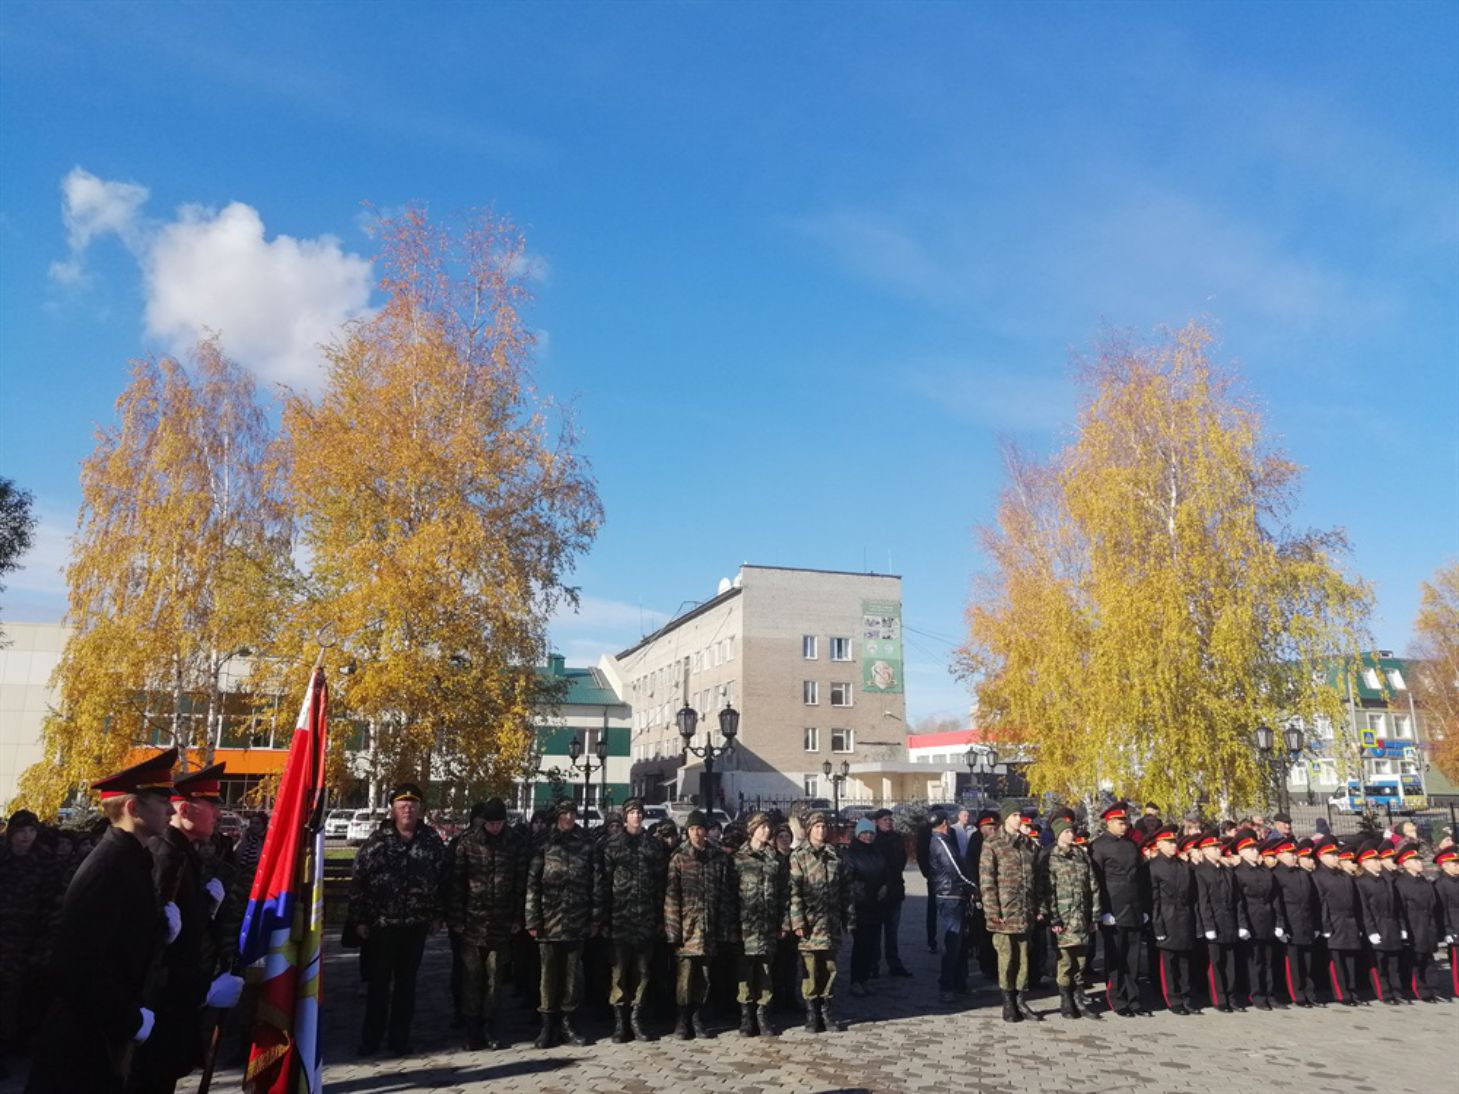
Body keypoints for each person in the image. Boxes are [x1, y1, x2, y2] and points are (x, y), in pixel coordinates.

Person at [25, 748, 179, 1094]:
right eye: (162, 800)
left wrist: (159, 932)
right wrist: (129, 1020)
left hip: (100, 1039)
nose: (172, 809)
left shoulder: (132, 860)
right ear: (133, 808)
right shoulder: (110, 867)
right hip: (81, 1047)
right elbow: (75, 964)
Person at [129, 763, 243, 1094]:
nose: (218, 814)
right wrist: (202, 992)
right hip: (160, 1008)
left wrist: (206, 909)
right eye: (211, 805)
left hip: (174, 1004)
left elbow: (181, 928)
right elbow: (157, 948)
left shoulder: (181, 853)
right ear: (184, 808)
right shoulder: (166, 855)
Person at [348, 783, 447, 1057]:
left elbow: (442, 880)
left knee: (407, 986)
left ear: (420, 809)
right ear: (393, 808)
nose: (408, 809)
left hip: (415, 925)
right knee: (378, 986)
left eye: (413, 804)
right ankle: (371, 1039)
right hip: (382, 925)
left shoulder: (431, 841)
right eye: (403, 805)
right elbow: (359, 881)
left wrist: (438, 915)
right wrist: (359, 919)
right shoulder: (378, 841)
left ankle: (399, 1039)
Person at [447, 798, 526, 1050]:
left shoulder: (513, 844)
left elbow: (519, 884)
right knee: (472, 978)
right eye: (491, 823)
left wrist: (517, 918)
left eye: (499, 823)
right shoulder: (467, 844)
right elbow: (456, 883)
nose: (495, 827)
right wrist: (456, 919)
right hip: (472, 923)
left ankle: (489, 1026)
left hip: (501, 924)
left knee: (494, 979)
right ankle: (471, 1031)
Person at [593, 797, 667, 1043]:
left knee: (643, 972)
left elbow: (660, 885)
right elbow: (602, 885)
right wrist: (602, 918)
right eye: (632, 812)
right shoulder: (612, 845)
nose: (636, 816)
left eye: (639, 812)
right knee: (619, 972)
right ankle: (620, 1022)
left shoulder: (653, 846)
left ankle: (636, 1017)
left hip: (645, 919)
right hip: (619, 919)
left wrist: (659, 917)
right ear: (625, 816)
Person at [525, 799, 595, 1048]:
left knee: (572, 976)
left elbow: (594, 881)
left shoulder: (585, 843)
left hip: (577, 919)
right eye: (564, 813)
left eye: (572, 813)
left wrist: (593, 917)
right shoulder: (543, 842)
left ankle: (568, 1024)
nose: (569, 818)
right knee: (548, 975)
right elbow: (532, 883)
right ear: (557, 816)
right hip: (549, 920)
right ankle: (547, 1026)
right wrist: (532, 918)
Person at [664, 810, 737, 1040]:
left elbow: (725, 895)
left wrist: (725, 928)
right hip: (686, 929)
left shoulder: (718, 858)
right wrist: (673, 930)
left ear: (706, 831)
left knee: (704, 976)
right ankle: (682, 1018)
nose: (697, 833)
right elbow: (671, 896)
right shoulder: (679, 858)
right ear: (687, 832)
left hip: (709, 928)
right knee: (685, 976)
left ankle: (697, 1015)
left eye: (700, 829)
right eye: (692, 829)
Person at [0, 809, 62, 1079]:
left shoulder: (45, 863)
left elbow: (51, 907)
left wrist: (42, 948)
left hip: (23, 943)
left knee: (9, 1003)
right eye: (21, 831)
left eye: (31, 831)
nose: (26, 837)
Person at [788, 811, 853, 1034]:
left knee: (830, 968)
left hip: (831, 922)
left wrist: (849, 918)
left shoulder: (835, 856)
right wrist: (797, 921)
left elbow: (846, 890)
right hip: (809, 923)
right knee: (810, 969)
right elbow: (794, 891)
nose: (821, 831)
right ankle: (811, 1012)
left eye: (824, 827)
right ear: (809, 830)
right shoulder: (799, 856)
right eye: (816, 827)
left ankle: (826, 1011)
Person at [980, 803, 1042, 1023]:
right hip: (1004, 912)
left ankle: (1021, 999)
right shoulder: (993, 844)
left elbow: (1036, 880)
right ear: (1005, 818)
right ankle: (1007, 1002)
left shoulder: (1028, 845)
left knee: (1024, 957)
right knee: (1006, 958)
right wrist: (993, 911)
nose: (1019, 819)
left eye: (1020, 815)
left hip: (1025, 911)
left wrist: (1039, 908)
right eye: (1015, 815)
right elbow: (987, 881)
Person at [732, 811, 790, 1037]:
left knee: (766, 971)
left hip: (767, 926)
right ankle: (746, 1017)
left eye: (769, 828)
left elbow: (785, 893)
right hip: (745, 927)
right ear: (753, 829)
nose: (767, 831)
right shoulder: (738, 858)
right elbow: (729, 896)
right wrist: (732, 927)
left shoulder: (774, 859)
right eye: (763, 827)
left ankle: (763, 1015)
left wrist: (783, 923)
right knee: (745, 972)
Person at [1090, 802, 1145, 1017]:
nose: (1125, 826)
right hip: (1113, 907)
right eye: (1121, 822)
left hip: (1133, 905)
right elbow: (1097, 881)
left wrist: (1142, 906)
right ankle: (1116, 998)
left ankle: (1133, 997)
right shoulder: (1099, 846)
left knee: (1133, 955)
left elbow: (1139, 877)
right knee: (1115, 956)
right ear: (1110, 822)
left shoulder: (1131, 845)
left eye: (1126, 822)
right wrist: (1103, 911)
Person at [1040, 814, 1098, 1020]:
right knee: (1065, 961)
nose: (1071, 834)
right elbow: (1047, 891)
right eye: (1067, 831)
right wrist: (1053, 918)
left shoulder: (1082, 856)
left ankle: (1078, 999)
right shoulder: (1051, 858)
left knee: (1081, 961)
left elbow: (1093, 887)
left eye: (1072, 831)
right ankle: (1066, 1001)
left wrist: (1094, 917)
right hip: (1063, 919)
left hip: (1082, 917)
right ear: (1058, 835)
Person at [1147, 826, 1197, 1015]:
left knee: (1184, 960)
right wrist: (1158, 926)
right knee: (1169, 963)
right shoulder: (1153, 867)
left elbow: (1191, 894)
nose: (1172, 845)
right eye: (1168, 842)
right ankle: (1173, 999)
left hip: (1183, 917)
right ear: (1159, 844)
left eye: (1174, 842)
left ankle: (1186, 996)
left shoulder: (1183, 865)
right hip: (1166, 918)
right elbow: (1154, 899)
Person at [925, 808, 974, 1004]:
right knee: (953, 943)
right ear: (945, 823)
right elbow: (955, 869)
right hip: (951, 895)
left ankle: (959, 982)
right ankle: (947, 985)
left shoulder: (941, 841)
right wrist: (972, 886)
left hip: (953, 894)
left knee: (961, 943)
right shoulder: (940, 843)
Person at [1233, 831, 1284, 1010]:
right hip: (1251, 919)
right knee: (1255, 961)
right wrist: (1242, 925)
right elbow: (1239, 901)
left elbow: (1275, 898)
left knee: (1269, 960)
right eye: (1250, 849)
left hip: (1267, 918)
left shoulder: (1265, 872)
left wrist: (1279, 922)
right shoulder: (1238, 873)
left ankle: (1270, 994)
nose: (1255, 851)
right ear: (1241, 852)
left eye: (1255, 848)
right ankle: (1256, 995)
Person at [1194, 832, 1242, 1012]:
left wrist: (1240, 923)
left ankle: (1231, 996)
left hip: (1229, 921)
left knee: (1230, 963)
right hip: (1214, 922)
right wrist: (1208, 926)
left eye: (1218, 847)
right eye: (1214, 848)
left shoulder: (1226, 870)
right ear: (1205, 851)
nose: (1218, 850)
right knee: (1216, 963)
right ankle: (1219, 998)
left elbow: (1235, 899)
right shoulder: (1201, 872)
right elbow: (1203, 901)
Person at [1355, 840, 1404, 1004]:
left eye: (1378, 859)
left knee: (1393, 961)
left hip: (1390, 925)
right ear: (1365, 862)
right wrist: (1371, 931)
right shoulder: (1362, 882)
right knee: (1378, 963)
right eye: (1374, 860)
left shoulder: (1386, 880)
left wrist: (1401, 926)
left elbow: (1396, 906)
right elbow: (1364, 909)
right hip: (1376, 925)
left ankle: (1396, 991)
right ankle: (1384, 993)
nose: (1378, 862)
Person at [1273, 836, 1320, 1007]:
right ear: (1279, 855)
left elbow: (1313, 901)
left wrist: (1316, 924)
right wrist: (1280, 924)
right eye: (1290, 853)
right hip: (1290, 922)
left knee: (1307, 961)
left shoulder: (1303, 874)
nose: (1294, 856)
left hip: (1306, 922)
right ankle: (1297, 994)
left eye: (1295, 853)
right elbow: (1278, 902)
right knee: (1293, 962)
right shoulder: (1277, 875)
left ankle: (1310, 992)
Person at [845, 818, 888, 997]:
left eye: (871, 833)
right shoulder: (850, 854)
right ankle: (856, 980)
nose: (868, 836)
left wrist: (885, 885)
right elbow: (848, 880)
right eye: (865, 833)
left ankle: (866, 979)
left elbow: (886, 872)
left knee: (872, 945)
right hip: (859, 905)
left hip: (875, 904)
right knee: (860, 945)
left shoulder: (877, 852)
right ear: (858, 834)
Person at [1393, 844, 1440, 1003]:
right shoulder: (1400, 883)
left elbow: (1432, 903)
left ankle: (1433, 989)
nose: (1420, 863)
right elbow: (1399, 909)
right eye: (1415, 861)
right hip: (1413, 924)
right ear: (1405, 864)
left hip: (1427, 924)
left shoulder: (1424, 881)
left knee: (1429, 958)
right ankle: (1420, 990)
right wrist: (1403, 928)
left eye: (1419, 860)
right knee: (1416, 960)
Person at [870, 809, 911, 977]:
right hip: (877, 893)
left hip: (895, 890)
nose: (889, 822)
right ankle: (874, 965)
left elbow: (902, 860)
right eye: (885, 820)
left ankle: (894, 963)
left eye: (890, 820)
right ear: (877, 822)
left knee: (892, 932)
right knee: (876, 931)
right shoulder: (873, 839)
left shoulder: (896, 838)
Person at [1434, 846, 1459, 998]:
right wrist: (1447, 931)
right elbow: (1441, 910)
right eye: (1455, 863)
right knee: (1457, 964)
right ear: (1444, 865)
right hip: (1455, 927)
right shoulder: (1440, 884)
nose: (1458, 866)